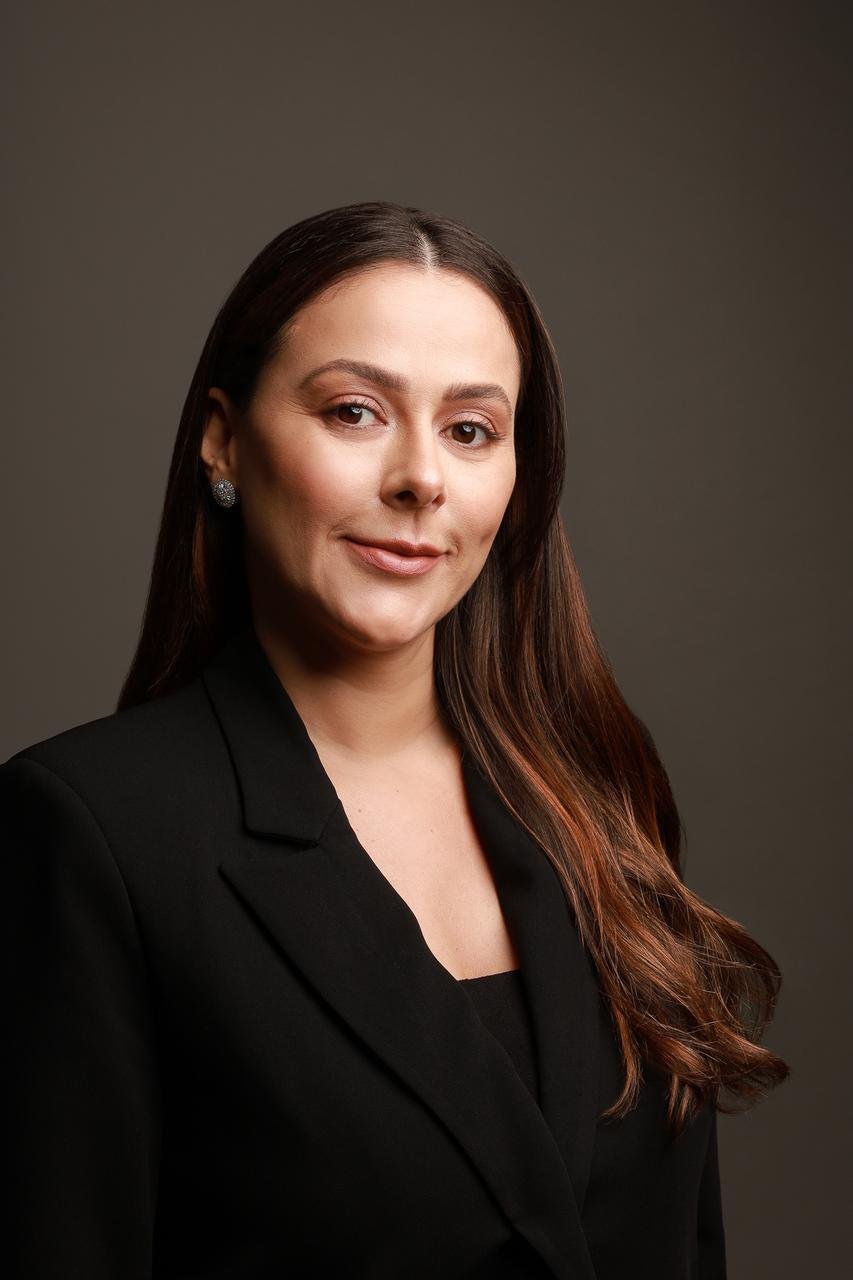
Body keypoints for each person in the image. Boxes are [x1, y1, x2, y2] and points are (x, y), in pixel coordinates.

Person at [1, 200, 789, 1279]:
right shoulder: (93, 832)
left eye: (470, 430)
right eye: (355, 411)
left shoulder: (599, 797)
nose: (422, 477)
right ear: (224, 439)